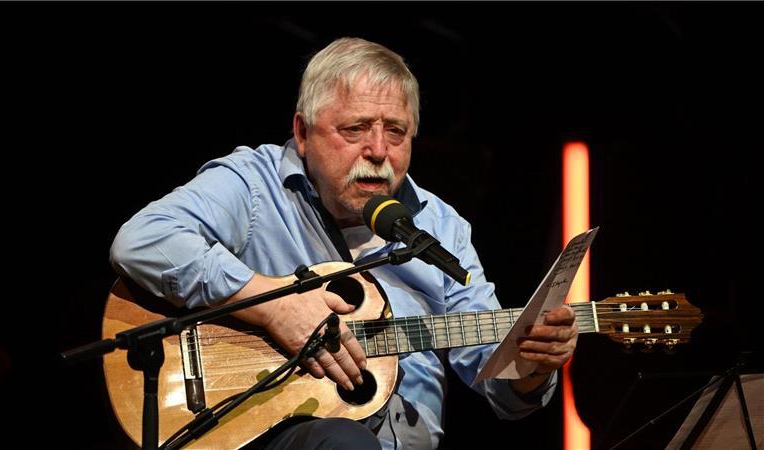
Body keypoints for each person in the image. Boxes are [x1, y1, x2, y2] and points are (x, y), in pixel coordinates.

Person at [110, 37, 578, 450]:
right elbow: (143, 241)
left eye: (395, 131)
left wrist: (533, 364)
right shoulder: (254, 185)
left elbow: (497, 383)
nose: (378, 151)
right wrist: (274, 309)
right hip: (264, 432)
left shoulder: (441, 226)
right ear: (303, 132)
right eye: (355, 129)